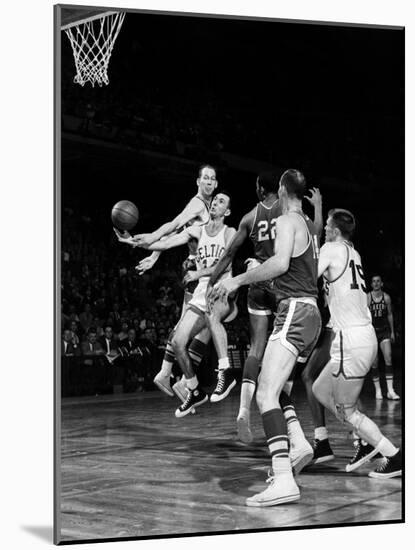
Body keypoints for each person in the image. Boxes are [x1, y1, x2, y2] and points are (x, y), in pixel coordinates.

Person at [213, 169, 321, 506]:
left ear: (282, 188)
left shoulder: (289, 221)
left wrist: (237, 280)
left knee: (265, 394)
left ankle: (283, 479)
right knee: (277, 389)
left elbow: (278, 262)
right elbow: (300, 274)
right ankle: (299, 444)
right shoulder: (306, 223)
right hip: (309, 313)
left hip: (296, 313)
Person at [115, 164, 218, 398]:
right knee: (196, 329)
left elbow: (176, 233)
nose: (209, 182)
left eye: (212, 178)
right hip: (198, 273)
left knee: (202, 330)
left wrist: (153, 255)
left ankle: (175, 376)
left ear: (216, 183)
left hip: (200, 272)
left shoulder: (207, 208)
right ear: (198, 181)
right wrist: (149, 240)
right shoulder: (197, 204)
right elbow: (174, 224)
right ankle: (175, 377)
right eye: (205, 178)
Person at [312, 209, 401, 480]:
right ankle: (362, 440)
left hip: (350, 339)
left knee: (346, 410)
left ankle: (393, 455)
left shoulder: (330, 247)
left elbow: (307, 277)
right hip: (361, 335)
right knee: (319, 389)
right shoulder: (354, 253)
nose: (324, 229)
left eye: (327, 225)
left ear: (336, 231)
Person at [142, 191, 237, 417]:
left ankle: (226, 372)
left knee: (213, 318)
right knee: (177, 341)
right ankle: (194, 390)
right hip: (202, 290)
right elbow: (166, 243)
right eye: (214, 201)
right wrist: (142, 241)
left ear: (228, 211)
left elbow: (225, 264)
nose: (215, 203)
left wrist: (197, 273)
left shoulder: (230, 232)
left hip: (222, 286)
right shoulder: (198, 230)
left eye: (221, 201)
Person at [368, 275, 399, 400]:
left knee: (388, 358)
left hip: (384, 331)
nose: (376, 283)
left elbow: (390, 315)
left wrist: (392, 332)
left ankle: (390, 391)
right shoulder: (367, 298)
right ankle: (378, 391)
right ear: (371, 284)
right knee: (374, 363)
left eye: (378, 281)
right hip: (372, 333)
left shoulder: (386, 297)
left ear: (382, 284)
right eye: (373, 281)